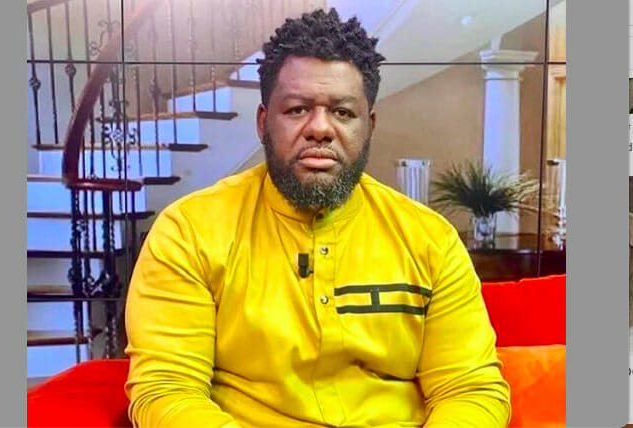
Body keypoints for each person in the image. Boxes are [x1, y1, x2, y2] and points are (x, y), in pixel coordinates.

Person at [125, 8, 511, 428]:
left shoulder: (429, 238)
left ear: (369, 125)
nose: (320, 129)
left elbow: (469, 389)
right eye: (297, 110)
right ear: (263, 122)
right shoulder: (189, 232)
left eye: (343, 112)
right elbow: (168, 390)